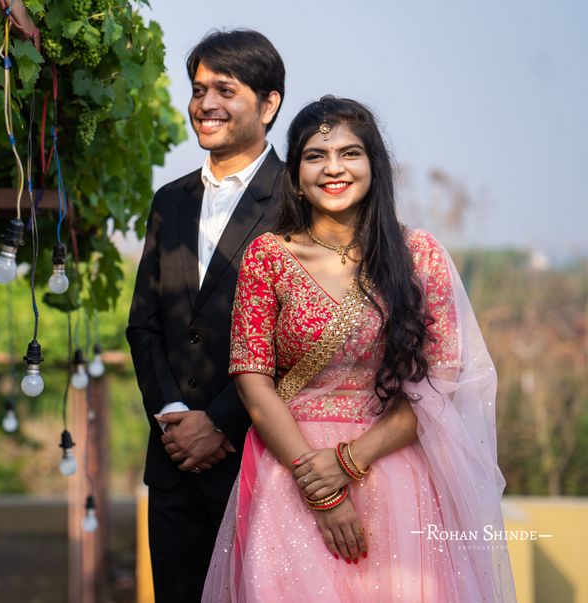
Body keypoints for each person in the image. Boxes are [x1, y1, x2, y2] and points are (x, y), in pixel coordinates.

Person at [202, 96, 516, 601]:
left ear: (374, 164)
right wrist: (319, 488)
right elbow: (252, 378)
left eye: (350, 153)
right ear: (296, 171)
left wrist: (348, 462)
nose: (333, 169)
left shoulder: (419, 256)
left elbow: (440, 384)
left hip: (396, 471)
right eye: (314, 155)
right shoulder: (269, 256)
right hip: (292, 468)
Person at [126, 29, 286, 602]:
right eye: (198, 89)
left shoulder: (298, 198)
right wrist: (173, 414)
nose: (205, 105)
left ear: (268, 105)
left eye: (225, 89)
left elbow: (299, 338)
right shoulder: (168, 200)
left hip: (261, 458)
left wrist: (218, 423)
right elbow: (144, 324)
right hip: (172, 462)